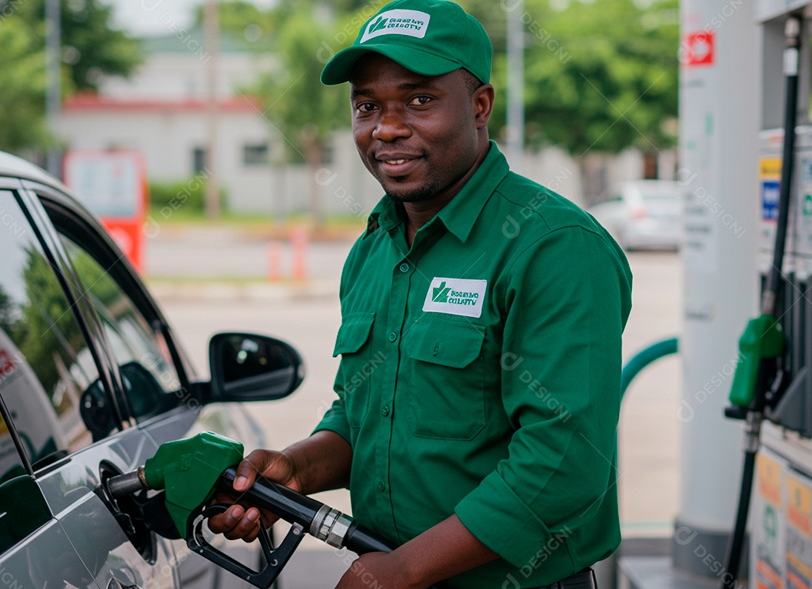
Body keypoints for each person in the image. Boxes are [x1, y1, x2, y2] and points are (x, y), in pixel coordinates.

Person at [208, 1, 633, 587]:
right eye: (367, 106)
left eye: (419, 100)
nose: (386, 127)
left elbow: (564, 463)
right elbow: (366, 415)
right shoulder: (376, 247)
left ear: (480, 105)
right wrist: (296, 469)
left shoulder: (554, 247)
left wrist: (404, 570)